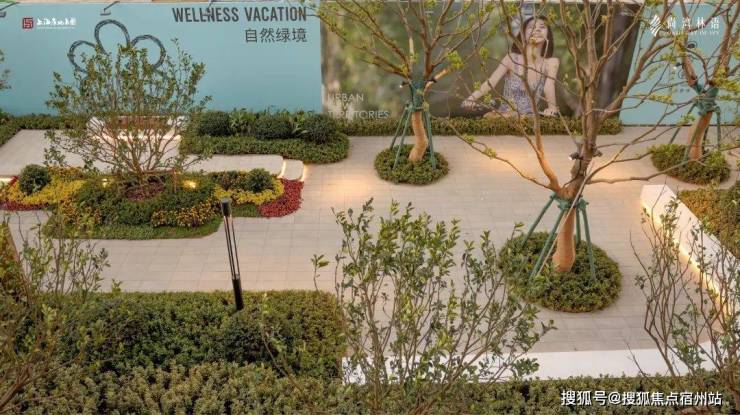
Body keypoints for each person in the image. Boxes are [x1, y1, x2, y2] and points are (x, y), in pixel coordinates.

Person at [462, 17, 560, 118]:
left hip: (530, 118)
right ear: (523, 34)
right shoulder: (512, 59)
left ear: (548, 34)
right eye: (532, 27)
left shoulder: (551, 62)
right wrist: (471, 99)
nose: (537, 29)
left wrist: (552, 108)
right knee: (489, 116)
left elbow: (549, 86)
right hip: (504, 116)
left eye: (542, 27)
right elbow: (491, 82)